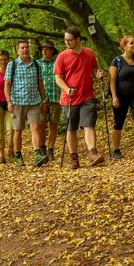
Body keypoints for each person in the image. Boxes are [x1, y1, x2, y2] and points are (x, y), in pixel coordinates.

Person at [53, 26, 106, 169]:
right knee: (71, 129)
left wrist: (98, 75)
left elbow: (94, 70)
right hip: (68, 98)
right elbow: (58, 78)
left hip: (87, 95)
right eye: (65, 40)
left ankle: (92, 153)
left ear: (78, 39)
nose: (67, 43)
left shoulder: (89, 53)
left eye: (70, 40)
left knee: (89, 124)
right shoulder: (62, 57)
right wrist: (67, 89)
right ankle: (74, 157)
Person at [4, 40, 48, 168]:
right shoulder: (12, 65)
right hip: (18, 102)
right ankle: (18, 155)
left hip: (34, 102)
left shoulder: (36, 64)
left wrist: (43, 100)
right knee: (18, 130)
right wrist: (9, 102)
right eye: (22, 48)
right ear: (18, 51)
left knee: (35, 127)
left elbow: (40, 83)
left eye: (27, 47)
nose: (25, 50)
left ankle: (37, 154)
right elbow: (6, 85)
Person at [37, 41, 61, 161]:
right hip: (41, 100)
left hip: (56, 98)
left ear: (52, 51)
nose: (44, 51)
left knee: (53, 125)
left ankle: (50, 149)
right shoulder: (36, 64)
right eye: (43, 49)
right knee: (41, 124)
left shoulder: (58, 63)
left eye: (47, 49)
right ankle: (42, 148)